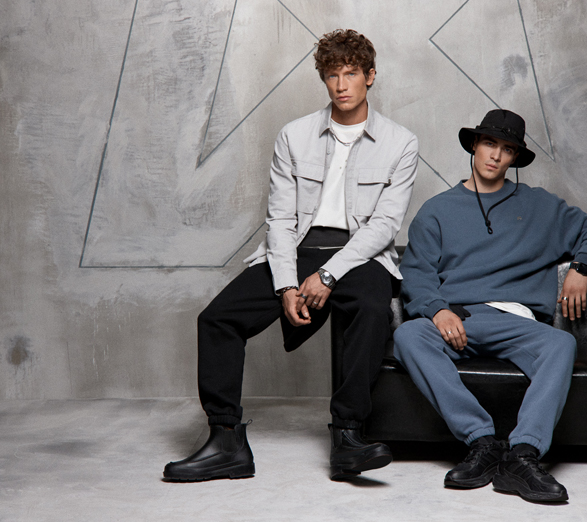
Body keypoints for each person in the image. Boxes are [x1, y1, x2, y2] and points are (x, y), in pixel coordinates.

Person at [163, 29, 419, 482]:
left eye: (351, 74)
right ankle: (225, 440)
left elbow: (383, 226)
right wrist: (285, 284)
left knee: (372, 306)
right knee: (217, 319)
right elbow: (279, 219)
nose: (341, 85)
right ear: (323, 79)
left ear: (370, 76)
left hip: (359, 255)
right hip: (296, 250)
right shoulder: (294, 135)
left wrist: (328, 275)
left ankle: (348, 435)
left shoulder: (401, 142)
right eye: (332, 75)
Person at [393, 109, 587, 502]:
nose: (496, 155)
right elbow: (416, 274)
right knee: (409, 335)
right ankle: (481, 443)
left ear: (515, 158)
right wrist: (438, 310)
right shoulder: (437, 210)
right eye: (489, 143)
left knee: (561, 343)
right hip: (459, 318)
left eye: (507, 149)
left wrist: (581, 267)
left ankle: (522, 456)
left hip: (516, 322)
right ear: (474, 146)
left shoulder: (539, 206)